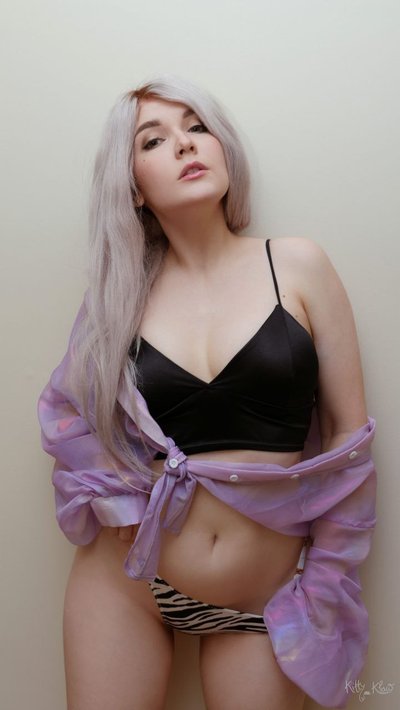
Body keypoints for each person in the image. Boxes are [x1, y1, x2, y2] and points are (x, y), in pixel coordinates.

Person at [38, 75, 377, 710]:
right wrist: (117, 503)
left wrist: (326, 577)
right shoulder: (118, 296)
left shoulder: (297, 265)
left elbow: (348, 442)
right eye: (153, 140)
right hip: (129, 588)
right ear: (132, 187)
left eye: (197, 128)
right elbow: (68, 417)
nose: (185, 144)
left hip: (264, 602)